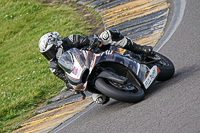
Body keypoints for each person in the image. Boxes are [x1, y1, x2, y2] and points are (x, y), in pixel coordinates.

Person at [38, 30, 153, 104]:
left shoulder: (70, 40)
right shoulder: (54, 67)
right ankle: (115, 87)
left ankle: (139, 49)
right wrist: (73, 87)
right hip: (86, 76)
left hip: (95, 56)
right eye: (47, 54)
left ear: (57, 44)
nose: (51, 56)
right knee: (100, 100)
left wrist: (93, 42)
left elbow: (88, 40)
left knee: (107, 35)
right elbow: (66, 80)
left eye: (51, 51)